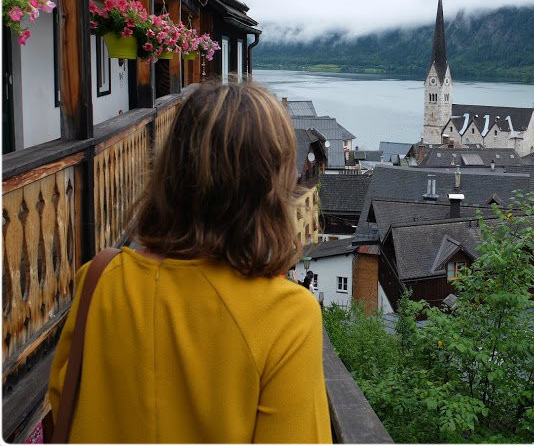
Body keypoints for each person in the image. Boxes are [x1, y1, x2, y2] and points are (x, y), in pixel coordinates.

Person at [48, 82, 332, 443]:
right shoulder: (286, 316)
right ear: (269, 187)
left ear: (173, 171)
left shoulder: (99, 280)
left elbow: (63, 405)